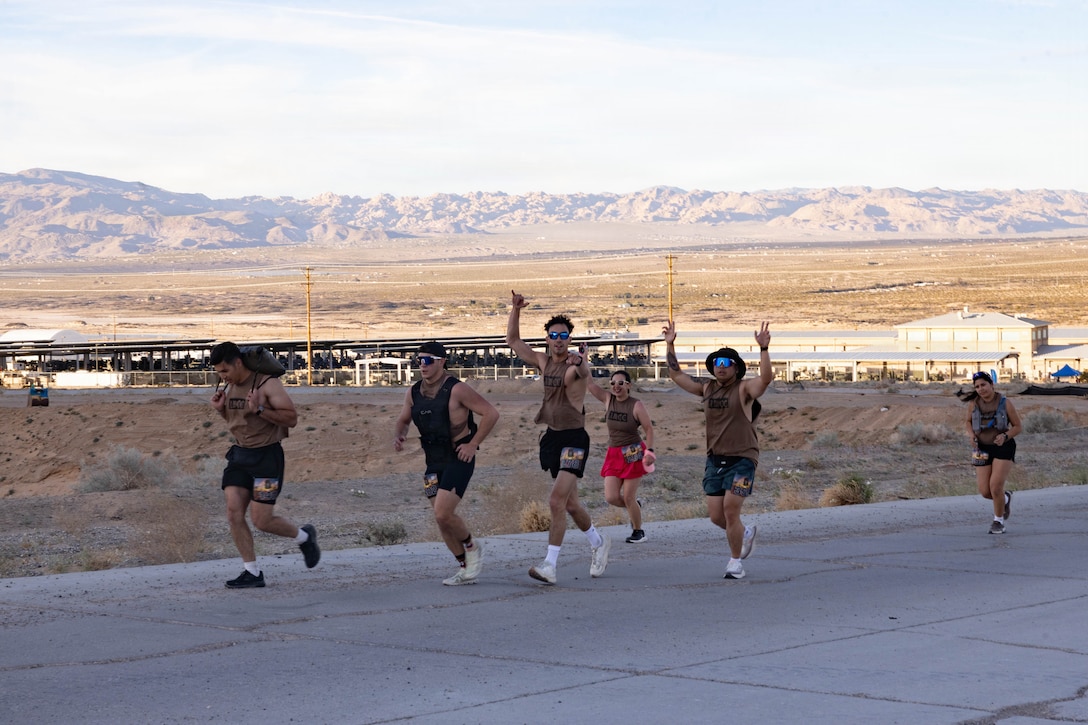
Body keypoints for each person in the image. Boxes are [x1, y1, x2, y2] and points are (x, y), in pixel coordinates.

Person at [506, 290, 611, 584]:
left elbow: (584, 371)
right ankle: (599, 544)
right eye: (554, 335)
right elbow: (512, 342)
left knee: (555, 502)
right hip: (552, 438)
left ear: (570, 338)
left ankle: (550, 566)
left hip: (575, 440)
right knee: (571, 505)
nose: (559, 339)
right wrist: (516, 310)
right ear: (548, 338)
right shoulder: (542, 361)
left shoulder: (574, 365)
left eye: (564, 335)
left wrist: (581, 361)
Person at [662, 320, 772, 580]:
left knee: (731, 510)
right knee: (716, 516)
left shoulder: (744, 390)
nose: (720, 367)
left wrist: (764, 350)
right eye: (717, 363)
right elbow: (677, 375)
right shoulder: (707, 388)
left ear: (736, 368)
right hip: (715, 460)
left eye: (726, 363)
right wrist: (670, 344)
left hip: (743, 459)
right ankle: (743, 534)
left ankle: (735, 563)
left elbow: (765, 379)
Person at [210, 341, 320, 588]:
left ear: (238, 363)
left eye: (225, 371)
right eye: (219, 372)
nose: (222, 376)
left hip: (267, 460)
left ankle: (304, 537)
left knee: (262, 520)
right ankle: (252, 572)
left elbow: (291, 419)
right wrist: (220, 410)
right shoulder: (230, 387)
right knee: (233, 512)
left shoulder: (267, 384)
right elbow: (239, 421)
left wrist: (260, 409)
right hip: (240, 457)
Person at [393, 342, 500, 585]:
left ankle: (473, 548)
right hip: (433, 460)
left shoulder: (457, 389)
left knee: (443, 512)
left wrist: (473, 444)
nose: (422, 364)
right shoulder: (413, 392)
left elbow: (491, 413)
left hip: (459, 458)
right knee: (440, 517)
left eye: (428, 360)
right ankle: (464, 566)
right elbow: (403, 420)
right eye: (418, 360)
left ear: (442, 361)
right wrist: (399, 434)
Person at [586, 370, 656, 543]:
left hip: (633, 453)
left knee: (628, 497)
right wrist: (583, 360)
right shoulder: (608, 399)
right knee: (611, 497)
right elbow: (589, 384)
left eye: (620, 383)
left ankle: (638, 531)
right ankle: (635, 508)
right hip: (614, 453)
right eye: (613, 383)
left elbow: (648, 428)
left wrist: (650, 451)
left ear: (629, 385)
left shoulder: (636, 405)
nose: (616, 386)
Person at [960, 371, 1022, 534]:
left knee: (995, 487)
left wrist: (1005, 436)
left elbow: (1017, 426)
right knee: (985, 491)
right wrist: (972, 435)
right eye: (977, 387)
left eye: (983, 385)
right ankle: (1006, 498)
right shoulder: (974, 404)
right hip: (982, 448)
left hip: (1003, 447)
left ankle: (998, 521)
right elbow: (968, 421)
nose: (981, 389)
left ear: (991, 384)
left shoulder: (1005, 402)